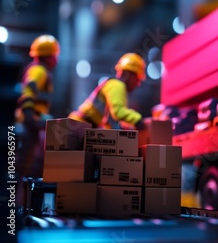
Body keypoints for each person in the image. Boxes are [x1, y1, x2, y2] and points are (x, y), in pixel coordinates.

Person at [15, 34, 60, 209]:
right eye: (55, 54)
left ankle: (19, 208)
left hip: (32, 125)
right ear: (49, 55)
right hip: (28, 125)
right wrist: (29, 116)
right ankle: (14, 211)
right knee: (20, 169)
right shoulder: (38, 71)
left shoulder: (40, 71)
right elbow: (28, 93)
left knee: (25, 168)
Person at [68, 52, 146, 130]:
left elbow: (109, 120)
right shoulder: (117, 85)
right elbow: (118, 112)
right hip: (78, 126)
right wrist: (138, 120)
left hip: (79, 125)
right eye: (137, 78)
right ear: (128, 74)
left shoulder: (114, 85)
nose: (138, 83)